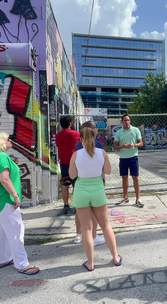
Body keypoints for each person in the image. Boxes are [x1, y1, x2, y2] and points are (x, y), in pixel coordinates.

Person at [0, 132, 40, 275]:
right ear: (1, 142)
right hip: (5, 199)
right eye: (8, 139)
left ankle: (2, 259)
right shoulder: (2, 157)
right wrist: (15, 196)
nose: (11, 141)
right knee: (16, 231)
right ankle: (22, 264)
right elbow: (4, 179)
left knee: (2, 231)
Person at [69, 127, 122, 270]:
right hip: (98, 189)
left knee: (86, 228)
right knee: (105, 225)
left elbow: (72, 175)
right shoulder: (102, 152)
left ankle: (90, 262)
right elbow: (109, 171)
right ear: (94, 138)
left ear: (81, 139)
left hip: (81, 191)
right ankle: (116, 257)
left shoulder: (76, 155)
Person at [72, 121, 106, 246]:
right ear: (91, 130)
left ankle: (78, 234)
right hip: (93, 181)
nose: (97, 129)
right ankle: (94, 235)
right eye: (95, 127)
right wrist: (103, 179)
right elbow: (102, 166)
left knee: (80, 209)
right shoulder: (97, 145)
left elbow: (74, 168)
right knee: (93, 210)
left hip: (80, 181)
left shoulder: (78, 146)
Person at [113, 114, 144, 207]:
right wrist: (122, 146)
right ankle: (125, 197)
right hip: (123, 158)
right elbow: (115, 147)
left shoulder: (135, 130)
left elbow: (141, 143)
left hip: (133, 157)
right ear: (122, 122)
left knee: (135, 178)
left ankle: (138, 198)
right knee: (124, 178)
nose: (127, 122)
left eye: (128, 120)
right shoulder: (119, 132)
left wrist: (133, 145)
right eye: (125, 120)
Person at [55, 116, 80, 214]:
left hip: (63, 161)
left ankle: (65, 204)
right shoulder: (76, 134)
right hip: (75, 162)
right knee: (76, 184)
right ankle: (76, 205)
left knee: (65, 184)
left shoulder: (58, 135)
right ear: (70, 123)